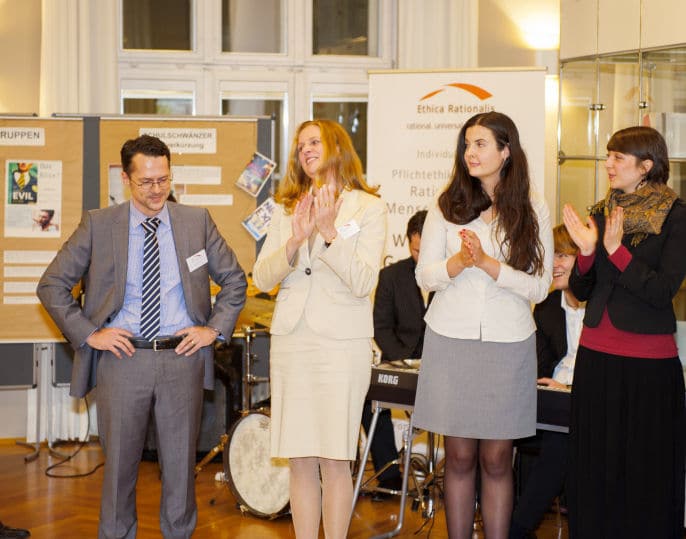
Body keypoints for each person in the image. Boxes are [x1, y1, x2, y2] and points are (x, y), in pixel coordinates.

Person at [36, 135, 247, 539]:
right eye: (146, 181)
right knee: (118, 471)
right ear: (126, 179)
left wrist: (212, 329)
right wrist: (91, 334)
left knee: (180, 471)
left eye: (163, 179)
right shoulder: (99, 225)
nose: (156, 190)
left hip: (181, 358)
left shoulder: (196, 222)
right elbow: (51, 285)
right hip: (122, 361)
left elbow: (235, 281)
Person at [414, 111, 553, 539]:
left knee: (496, 459)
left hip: (508, 343)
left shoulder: (532, 208)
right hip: (451, 340)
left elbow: (540, 286)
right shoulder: (446, 206)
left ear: (505, 151)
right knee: (458, 457)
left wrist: (489, 265)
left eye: (480, 144)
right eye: (467, 145)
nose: (470, 153)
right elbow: (425, 276)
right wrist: (459, 262)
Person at [252, 119, 386, 539]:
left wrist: (329, 233)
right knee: (299, 458)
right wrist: (294, 241)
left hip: (341, 345)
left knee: (334, 458)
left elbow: (363, 282)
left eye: (314, 141)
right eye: (300, 145)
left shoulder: (368, 208)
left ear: (336, 146)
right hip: (292, 341)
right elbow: (263, 278)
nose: (305, 150)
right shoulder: (286, 207)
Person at [562, 125, 686, 539]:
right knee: (594, 467)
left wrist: (616, 252)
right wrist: (585, 252)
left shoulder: (676, 216)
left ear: (646, 166)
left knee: (645, 472)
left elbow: (662, 290)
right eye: (608, 156)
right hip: (596, 356)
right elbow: (581, 291)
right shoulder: (601, 211)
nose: (608, 164)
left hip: (648, 365)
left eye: (618, 157)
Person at [509, 225, 584, 539]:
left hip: (589, 401)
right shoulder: (547, 307)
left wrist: (572, 389)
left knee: (563, 442)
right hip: (551, 403)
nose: (554, 264)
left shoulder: (605, 306)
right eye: (551, 256)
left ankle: (517, 528)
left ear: (584, 258)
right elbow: (538, 367)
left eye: (563, 255)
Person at [363, 209, 430, 499]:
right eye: (416, 251)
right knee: (368, 400)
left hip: (440, 367)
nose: (422, 257)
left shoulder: (454, 275)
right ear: (409, 243)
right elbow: (381, 327)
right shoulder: (390, 276)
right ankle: (389, 477)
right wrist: (402, 363)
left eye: (427, 251)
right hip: (400, 363)